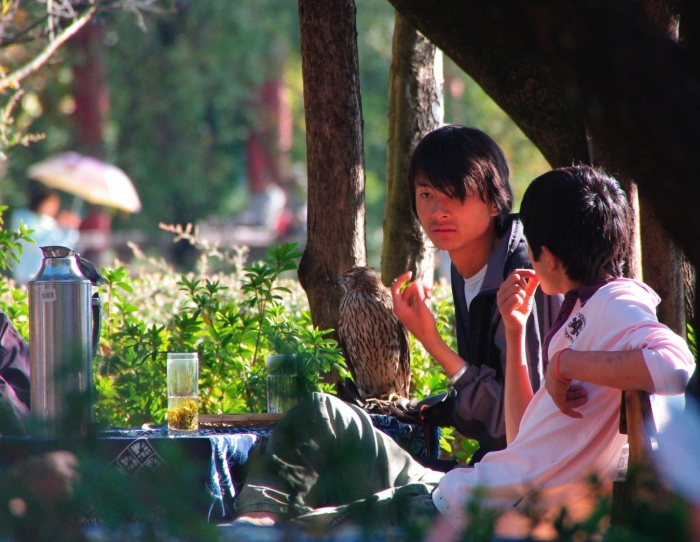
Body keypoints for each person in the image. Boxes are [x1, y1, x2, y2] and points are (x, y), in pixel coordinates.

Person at [233, 165, 693, 534]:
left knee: (275, 535)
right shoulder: (582, 310)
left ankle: (251, 525)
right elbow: (523, 441)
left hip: (459, 512)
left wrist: (564, 364)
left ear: (547, 256)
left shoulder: (618, 303)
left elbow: (676, 366)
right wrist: (516, 333)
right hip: (460, 489)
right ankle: (256, 515)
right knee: (323, 412)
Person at [393, 125, 561, 462]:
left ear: (495, 202)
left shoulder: (525, 274)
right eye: (426, 195)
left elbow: (514, 424)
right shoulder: (465, 262)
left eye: (456, 194)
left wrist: (432, 342)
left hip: (539, 473)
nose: (438, 211)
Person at [10, 180, 80, 284]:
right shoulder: (23, 217)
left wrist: (70, 228)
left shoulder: (49, 222)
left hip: (47, 277)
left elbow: (62, 246)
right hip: (26, 275)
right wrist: (59, 224)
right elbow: (38, 243)